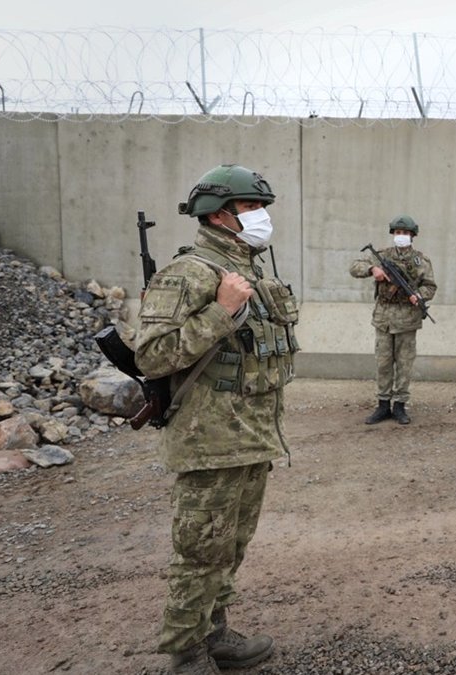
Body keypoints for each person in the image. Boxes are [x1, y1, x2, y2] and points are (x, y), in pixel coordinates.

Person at [135, 164, 298, 674]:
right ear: (220, 214)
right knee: (199, 553)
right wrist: (220, 312)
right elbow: (153, 356)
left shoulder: (252, 271)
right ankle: (185, 654)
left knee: (231, 547)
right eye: (252, 208)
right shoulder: (189, 274)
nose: (262, 217)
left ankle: (215, 634)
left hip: (251, 436)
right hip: (209, 441)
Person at [350, 215, 437, 425]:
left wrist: (419, 295)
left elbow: (430, 286)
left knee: (405, 364)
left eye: (405, 233)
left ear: (412, 236)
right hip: (384, 318)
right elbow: (355, 267)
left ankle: (399, 405)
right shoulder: (381, 256)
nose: (401, 236)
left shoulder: (421, 261)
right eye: (398, 233)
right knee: (383, 363)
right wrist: (373, 270)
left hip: (407, 319)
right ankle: (382, 405)